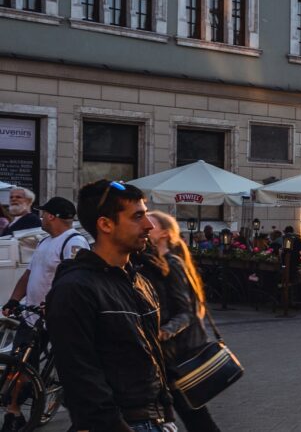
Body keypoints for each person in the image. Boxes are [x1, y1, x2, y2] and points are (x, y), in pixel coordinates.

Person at [47, 180, 176, 431]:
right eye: (137, 217)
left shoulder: (138, 281)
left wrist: (166, 411)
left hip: (152, 420)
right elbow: (79, 376)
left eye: (146, 216)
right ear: (105, 224)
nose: (148, 225)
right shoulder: (76, 288)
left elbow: (153, 355)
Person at [1, 198, 87, 430]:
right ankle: (14, 411)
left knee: (68, 367)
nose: (39, 217)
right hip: (32, 316)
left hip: (57, 318)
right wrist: (14, 299)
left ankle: (80, 415)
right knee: (19, 364)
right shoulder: (44, 242)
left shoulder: (74, 243)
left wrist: (54, 303)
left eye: (43, 214)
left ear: (51, 216)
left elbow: (75, 281)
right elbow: (29, 275)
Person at [143, 211, 221, 431]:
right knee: (190, 415)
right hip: (164, 355)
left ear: (165, 234)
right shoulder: (152, 263)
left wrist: (163, 332)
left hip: (176, 355)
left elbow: (186, 312)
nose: (146, 226)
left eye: (152, 224)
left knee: (195, 416)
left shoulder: (172, 264)